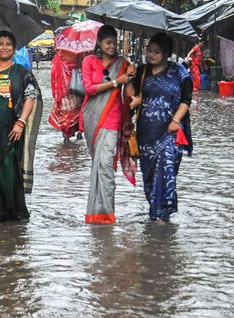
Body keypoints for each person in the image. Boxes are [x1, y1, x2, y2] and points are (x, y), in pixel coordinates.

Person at [0, 30, 42, 224]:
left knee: (11, 170)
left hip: (13, 130)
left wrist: (21, 122)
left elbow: (31, 97)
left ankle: (14, 215)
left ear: (14, 48)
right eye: (0, 44)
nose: (4, 47)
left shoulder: (22, 72)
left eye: (8, 44)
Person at [125, 32, 193, 222]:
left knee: (166, 172)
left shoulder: (179, 73)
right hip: (146, 133)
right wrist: (129, 78)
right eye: (150, 51)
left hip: (169, 132)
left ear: (166, 53)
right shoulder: (142, 71)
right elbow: (131, 98)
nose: (152, 55)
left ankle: (162, 218)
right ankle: (155, 215)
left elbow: (187, 99)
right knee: (149, 177)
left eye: (157, 52)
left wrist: (176, 120)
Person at [80, 24, 136, 224]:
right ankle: (96, 213)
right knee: (98, 164)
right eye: (108, 42)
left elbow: (129, 93)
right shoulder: (88, 61)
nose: (112, 46)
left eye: (115, 42)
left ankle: (106, 213)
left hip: (113, 118)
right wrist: (115, 81)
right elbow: (89, 89)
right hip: (91, 118)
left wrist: (131, 79)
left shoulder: (123, 64)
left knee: (105, 164)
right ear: (100, 43)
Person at [48, 49, 83, 141]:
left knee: (65, 112)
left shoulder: (58, 57)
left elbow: (54, 75)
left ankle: (66, 135)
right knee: (76, 111)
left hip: (64, 91)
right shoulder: (80, 54)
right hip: (77, 90)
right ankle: (79, 131)